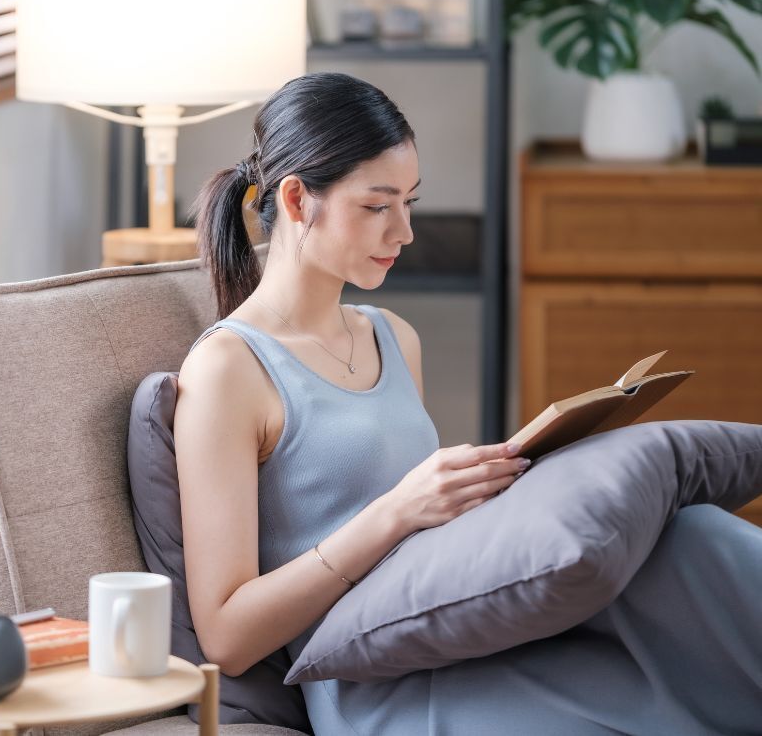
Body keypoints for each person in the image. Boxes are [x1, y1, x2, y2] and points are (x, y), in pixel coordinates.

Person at [174, 72, 762, 735]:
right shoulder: (229, 370)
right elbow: (226, 635)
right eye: (377, 206)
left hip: (462, 627)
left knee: (684, 534)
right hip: (372, 683)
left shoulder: (394, 338)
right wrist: (396, 511)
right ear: (296, 199)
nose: (404, 231)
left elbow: (436, 541)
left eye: (410, 203)